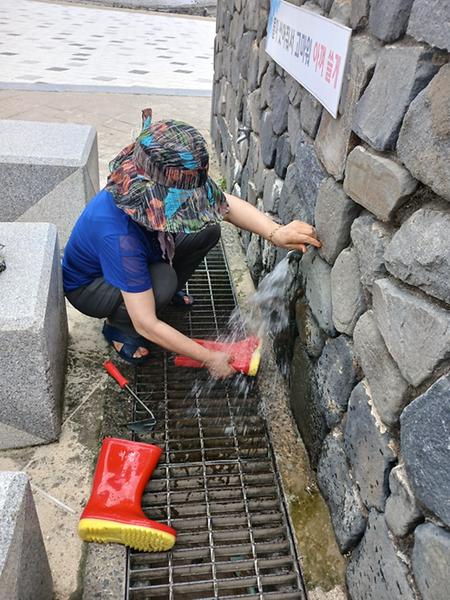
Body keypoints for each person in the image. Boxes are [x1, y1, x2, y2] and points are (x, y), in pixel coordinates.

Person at [62, 108, 320, 379]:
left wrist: (276, 233)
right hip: (90, 286)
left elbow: (226, 206)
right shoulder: (119, 235)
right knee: (163, 280)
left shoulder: (153, 189)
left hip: (139, 253)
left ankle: (155, 295)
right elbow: (147, 323)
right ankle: (118, 328)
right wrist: (210, 358)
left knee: (206, 231)